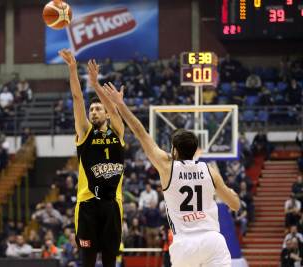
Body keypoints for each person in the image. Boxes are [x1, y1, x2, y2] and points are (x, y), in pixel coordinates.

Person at [103, 83, 240, 267]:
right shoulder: (210, 171)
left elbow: (140, 133)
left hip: (185, 244)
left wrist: (120, 104)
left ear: (174, 150)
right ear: (195, 150)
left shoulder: (167, 167)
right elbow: (235, 205)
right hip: (213, 240)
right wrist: (232, 193)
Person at [58, 50, 125, 267]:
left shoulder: (117, 132)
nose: (94, 112)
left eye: (98, 109)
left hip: (113, 204)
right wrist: (72, 69)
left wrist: (97, 85)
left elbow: (116, 111)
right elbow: (77, 98)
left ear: (106, 113)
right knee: (87, 260)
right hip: (87, 204)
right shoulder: (85, 133)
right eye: (92, 109)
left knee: (109, 262)